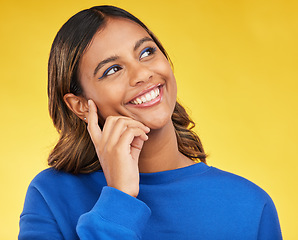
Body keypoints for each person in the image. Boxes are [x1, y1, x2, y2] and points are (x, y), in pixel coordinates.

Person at [18, 5, 282, 240]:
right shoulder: (50, 195)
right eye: (112, 69)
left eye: (146, 52)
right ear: (80, 105)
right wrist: (119, 198)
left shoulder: (250, 206)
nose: (142, 73)